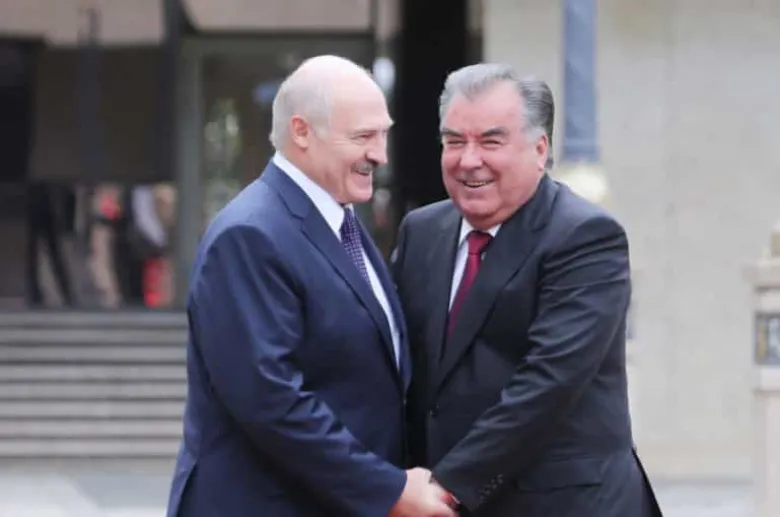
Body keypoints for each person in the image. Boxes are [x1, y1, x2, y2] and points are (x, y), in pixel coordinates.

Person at [166, 55, 455, 517]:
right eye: (362, 136)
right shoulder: (251, 234)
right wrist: (389, 490)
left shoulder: (341, 222)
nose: (380, 154)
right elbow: (270, 401)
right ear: (301, 132)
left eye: (383, 134)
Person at [391, 63, 664, 516]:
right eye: (454, 141)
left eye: (490, 142)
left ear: (540, 150)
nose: (468, 160)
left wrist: (444, 487)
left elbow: (547, 384)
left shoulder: (584, 236)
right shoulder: (422, 231)